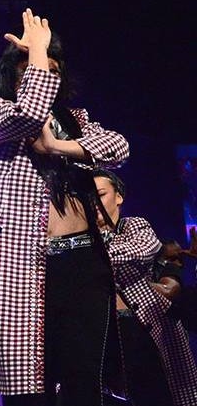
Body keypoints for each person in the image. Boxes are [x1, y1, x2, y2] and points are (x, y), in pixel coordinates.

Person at [0, 8, 130, 406]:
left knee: (84, 383)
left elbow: (119, 147)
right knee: (28, 388)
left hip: (83, 261)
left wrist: (58, 146)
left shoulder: (75, 121)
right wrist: (37, 50)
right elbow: (29, 112)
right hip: (20, 262)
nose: (43, 76)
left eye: (50, 71)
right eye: (30, 69)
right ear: (13, 76)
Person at [93, 169, 197, 406]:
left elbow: (144, 248)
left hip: (148, 324)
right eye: (88, 197)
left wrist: (90, 257)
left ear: (118, 196)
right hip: (108, 332)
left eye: (101, 194)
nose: (95, 203)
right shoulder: (83, 238)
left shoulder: (134, 225)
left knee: (166, 392)